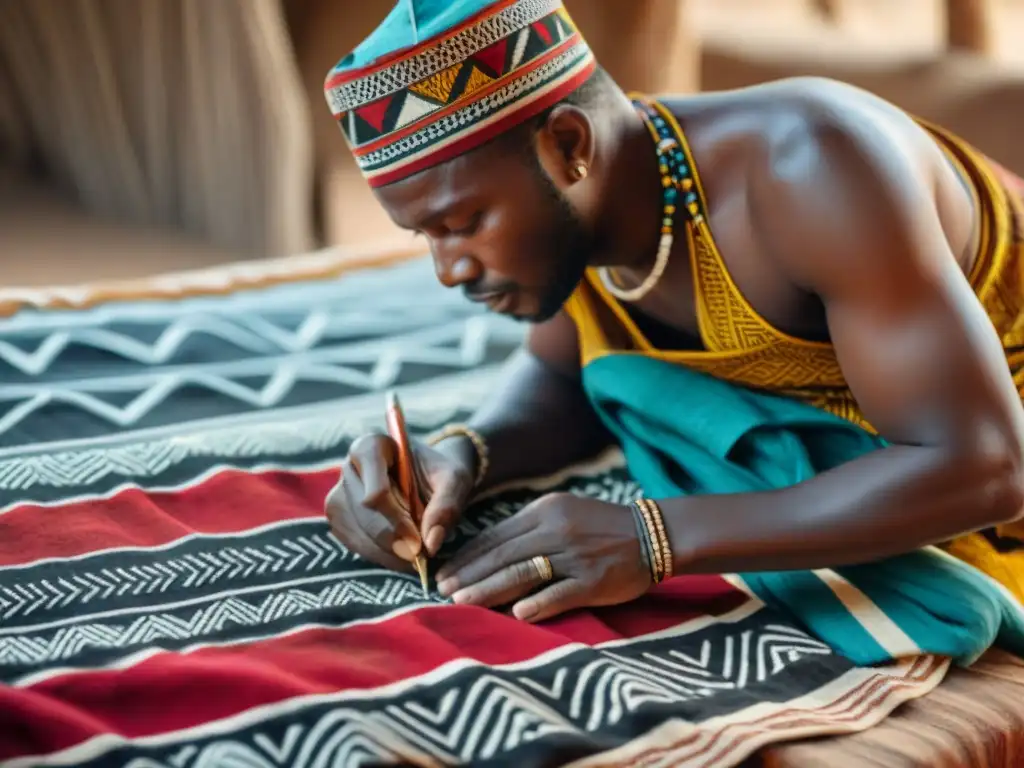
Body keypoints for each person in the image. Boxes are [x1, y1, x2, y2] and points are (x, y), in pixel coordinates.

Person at [322, 0, 1024, 634]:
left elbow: (985, 465)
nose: (449, 271)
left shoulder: (812, 167)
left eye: (464, 223)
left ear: (569, 145)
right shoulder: (592, 213)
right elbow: (563, 377)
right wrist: (462, 454)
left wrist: (657, 536)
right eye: (426, 237)